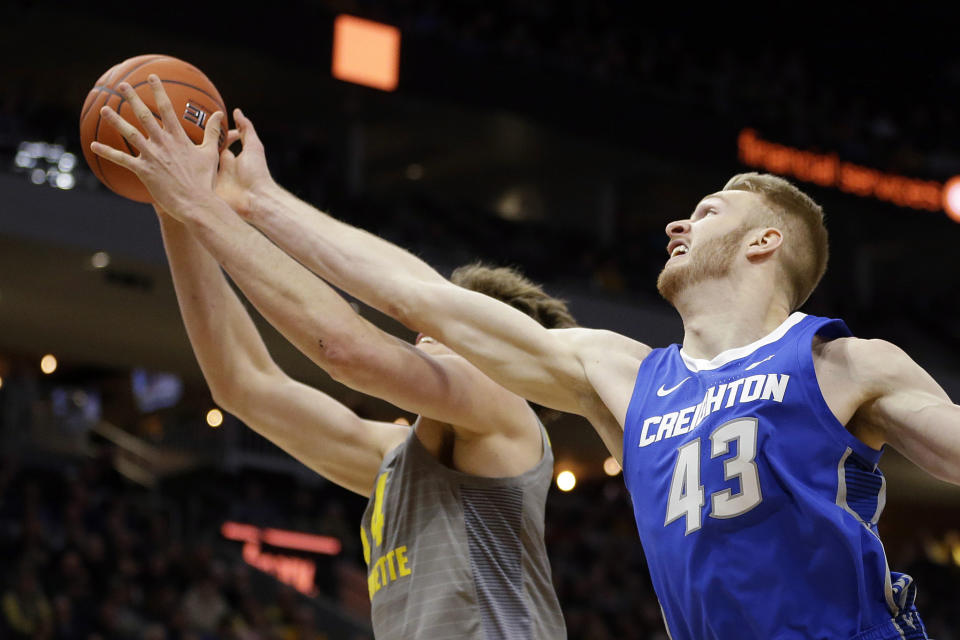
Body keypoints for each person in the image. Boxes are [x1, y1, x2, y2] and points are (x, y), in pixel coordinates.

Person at [89, 79, 960, 640]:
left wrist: (209, 207)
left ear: (767, 242)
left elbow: (352, 343)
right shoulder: (623, 375)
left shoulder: (842, 362)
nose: (677, 223)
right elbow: (419, 299)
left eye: (709, 208)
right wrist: (259, 201)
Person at [90, 77, 570, 640]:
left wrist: (200, 206)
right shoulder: (396, 461)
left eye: (451, 327)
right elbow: (242, 383)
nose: (424, 334)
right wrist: (172, 206)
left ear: (500, 350)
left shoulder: (504, 407)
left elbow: (348, 348)